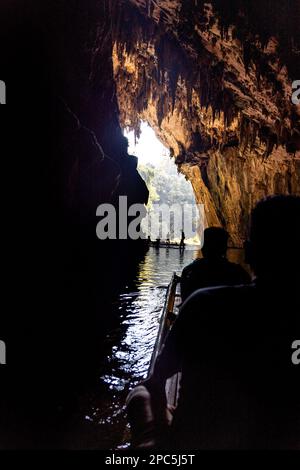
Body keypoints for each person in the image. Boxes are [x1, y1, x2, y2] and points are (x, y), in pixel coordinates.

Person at [127, 195, 300, 449]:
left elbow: (159, 377)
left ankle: (153, 445)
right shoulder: (236, 275)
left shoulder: (201, 302)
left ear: (250, 252)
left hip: (200, 440)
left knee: (139, 395)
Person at [181, 227, 251, 301]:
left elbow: (185, 300)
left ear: (203, 248)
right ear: (224, 249)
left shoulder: (189, 272)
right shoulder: (239, 273)